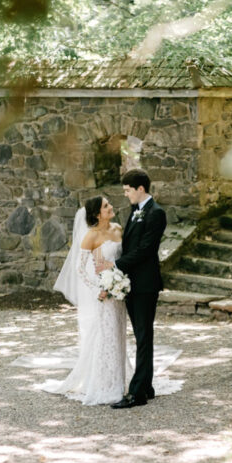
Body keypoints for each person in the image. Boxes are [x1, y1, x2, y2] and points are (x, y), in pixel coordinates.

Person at [42, 195, 129, 405]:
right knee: (104, 336)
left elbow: (123, 259)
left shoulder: (117, 229)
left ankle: (122, 377)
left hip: (119, 292)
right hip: (103, 294)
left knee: (119, 334)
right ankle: (103, 382)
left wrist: (119, 281)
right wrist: (98, 289)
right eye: (106, 205)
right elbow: (80, 269)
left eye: (109, 203)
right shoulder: (90, 236)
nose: (111, 207)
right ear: (97, 214)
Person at [96, 168, 166, 409]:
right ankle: (146, 385)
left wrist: (114, 265)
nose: (125, 195)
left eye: (127, 190)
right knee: (140, 335)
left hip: (146, 284)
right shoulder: (136, 211)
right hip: (132, 283)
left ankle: (137, 394)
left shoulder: (156, 213)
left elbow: (145, 250)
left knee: (144, 337)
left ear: (140, 189)